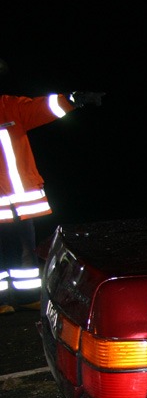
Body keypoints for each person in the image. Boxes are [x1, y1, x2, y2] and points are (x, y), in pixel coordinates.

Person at [1, 59, 103, 313]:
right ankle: (1, 301)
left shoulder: (9, 106)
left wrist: (72, 99)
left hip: (20, 201)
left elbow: (41, 107)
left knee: (26, 249)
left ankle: (26, 299)